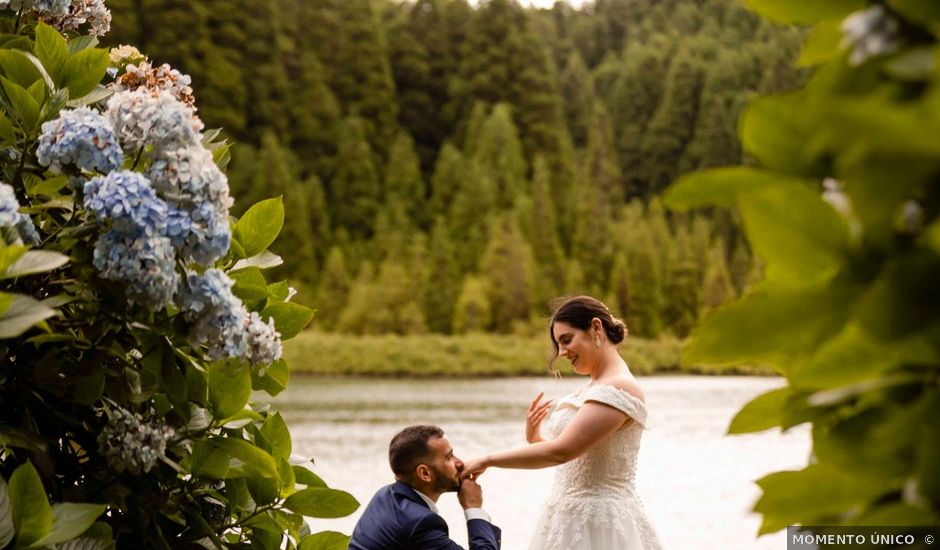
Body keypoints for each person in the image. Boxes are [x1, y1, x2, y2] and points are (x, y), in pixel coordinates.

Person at [461, 296, 663, 550]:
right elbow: (580, 461)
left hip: (600, 525)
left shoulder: (619, 387)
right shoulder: (597, 385)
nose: (562, 352)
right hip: (566, 518)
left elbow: (562, 452)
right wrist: (536, 440)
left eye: (567, 340)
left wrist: (487, 460)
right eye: (559, 344)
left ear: (596, 328)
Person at [349, 424, 502, 550]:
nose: (460, 462)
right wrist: (473, 508)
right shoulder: (420, 523)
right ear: (425, 473)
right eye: (449, 457)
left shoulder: (384, 495)